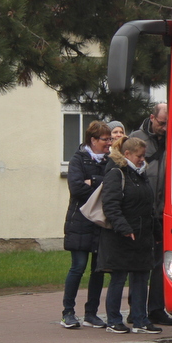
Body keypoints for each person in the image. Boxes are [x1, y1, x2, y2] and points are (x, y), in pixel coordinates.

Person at [99, 137, 159, 334]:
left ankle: (141, 319)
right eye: (139, 156)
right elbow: (110, 206)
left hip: (142, 236)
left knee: (142, 278)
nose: (142, 159)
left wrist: (157, 231)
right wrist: (124, 228)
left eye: (144, 155)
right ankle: (114, 320)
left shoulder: (140, 175)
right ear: (127, 155)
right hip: (122, 237)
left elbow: (149, 207)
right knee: (118, 278)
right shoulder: (116, 173)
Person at [60, 121, 112, 329]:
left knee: (98, 269)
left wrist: (92, 180)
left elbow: (112, 187)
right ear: (93, 140)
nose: (109, 143)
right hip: (80, 221)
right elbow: (77, 188)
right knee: (78, 267)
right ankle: (68, 312)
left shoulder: (109, 161)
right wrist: (99, 184)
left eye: (110, 139)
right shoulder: (78, 159)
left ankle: (91, 313)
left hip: (100, 222)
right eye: (105, 139)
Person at [129, 102, 172, 325]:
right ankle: (135, 310)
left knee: (160, 264)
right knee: (139, 264)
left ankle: (156, 308)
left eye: (169, 124)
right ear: (152, 118)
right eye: (161, 123)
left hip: (163, 212)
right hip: (141, 212)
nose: (165, 129)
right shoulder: (137, 139)